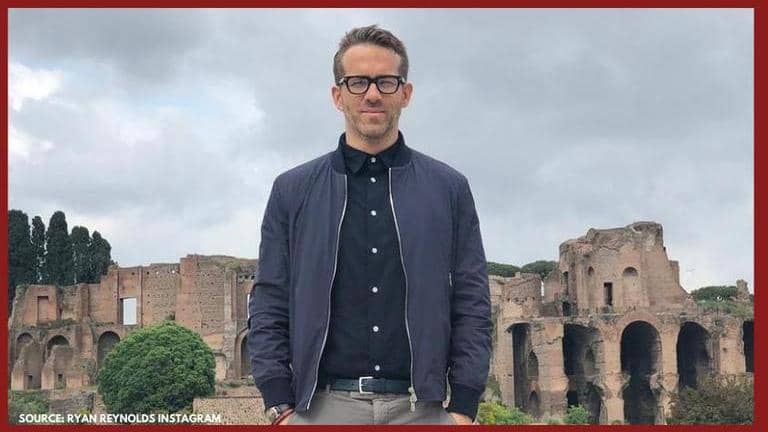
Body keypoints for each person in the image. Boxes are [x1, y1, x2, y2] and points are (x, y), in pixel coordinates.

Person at [248, 24, 491, 425]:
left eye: (386, 82)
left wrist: (464, 408)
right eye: (358, 82)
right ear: (338, 95)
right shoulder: (292, 190)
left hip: (422, 410)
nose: (373, 94)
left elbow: (472, 301)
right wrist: (279, 405)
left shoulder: (449, 188)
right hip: (320, 410)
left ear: (405, 93)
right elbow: (270, 300)